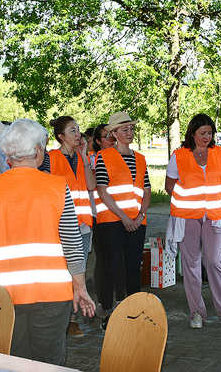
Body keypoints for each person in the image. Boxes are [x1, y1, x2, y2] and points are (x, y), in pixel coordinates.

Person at [0, 119, 95, 365]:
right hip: (51, 294)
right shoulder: (57, 187)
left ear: (7, 152)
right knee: (48, 362)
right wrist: (80, 287)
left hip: (0, 296)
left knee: (10, 362)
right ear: (37, 151)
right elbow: (72, 242)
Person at [165, 113, 221, 329]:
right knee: (191, 264)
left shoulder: (219, 153)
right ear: (193, 133)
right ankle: (197, 313)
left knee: (215, 262)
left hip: (215, 217)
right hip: (188, 217)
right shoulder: (179, 155)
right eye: (202, 133)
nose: (207, 137)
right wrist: (188, 198)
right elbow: (169, 186)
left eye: (210, 133)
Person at [95, 112, 151, 329]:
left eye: (131, 129)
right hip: (112, 221)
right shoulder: (104, 157)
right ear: (114, 134)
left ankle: (134, 311)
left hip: (137, 221)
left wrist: (140, 216)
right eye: (124, 129)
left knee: (133, 267)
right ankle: (115, 313)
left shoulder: (141, 158)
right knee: (116, 266)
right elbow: (103, 190)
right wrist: (125, 218)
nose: (129, 133)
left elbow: (146, 190)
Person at [46, 116, 96, 336]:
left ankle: (72, 319)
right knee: (63, 274)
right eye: (72, 131)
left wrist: (84, 158)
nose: (78, 134)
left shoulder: (81, 157)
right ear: (60, 136)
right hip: (60, 226)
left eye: (78, 130)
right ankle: (63, 319)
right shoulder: (50, 158)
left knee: (79, 273)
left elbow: (92, 186)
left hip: (83, 225)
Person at [91, 123, 122, 317]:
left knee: (118, 261)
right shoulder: (94, 159)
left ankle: (119, 300)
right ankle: (105, 303)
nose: (111, 140)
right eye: (106, 137)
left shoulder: (123, 157)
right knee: (104, 262)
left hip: (120, 216)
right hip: (100, 217)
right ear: (98, 141)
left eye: (113, 136)